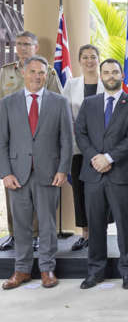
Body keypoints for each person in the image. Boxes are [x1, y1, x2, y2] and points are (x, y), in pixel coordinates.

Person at [0, 56, 72, 290]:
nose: (36, 76)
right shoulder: (7, 103)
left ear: (46, 75)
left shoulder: (59, 102)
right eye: (32, 72)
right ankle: (21, 270)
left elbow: (66, 141)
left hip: (49, 174)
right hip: (17, 175)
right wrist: (5, 173)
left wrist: (63, 169)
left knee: (48, 225)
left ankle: (46, 269)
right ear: (23, 73)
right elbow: (2, 142)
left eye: (41, 72)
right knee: (21, 225)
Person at [74, 58, 128, 290]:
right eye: (106, 72)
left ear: (122, 75)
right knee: (95, 225)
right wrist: (96, 158)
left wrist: (109, 158)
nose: (111, 75)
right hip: (93, 173)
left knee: (125, 224)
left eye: (115, 71)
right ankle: (95, 271)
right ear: (101, 76)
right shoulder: (89, 103)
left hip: (122, 174)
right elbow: (81, 134)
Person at [0, 30, 62, 253]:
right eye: (19, 44)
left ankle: (35, 235)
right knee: (13, 190)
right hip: (13, 141)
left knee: (39, 192)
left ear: (36, 47)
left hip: (40, 140)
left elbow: (57, 104)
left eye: (27, 44)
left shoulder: (49, 73)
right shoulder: (5, 73)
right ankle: (15, 234)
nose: (22, 47)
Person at [62, 44, 105, 252]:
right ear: (79, 61)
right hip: (78, 147)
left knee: (103, 191)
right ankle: (86, 234)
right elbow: (65, 115)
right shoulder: (71, 85)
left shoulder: (108, 82)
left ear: (99, 59)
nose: (89, 61)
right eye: (85, 57)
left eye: (93, 57)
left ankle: (102, 232)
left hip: (103, 149)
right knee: (80, 190)